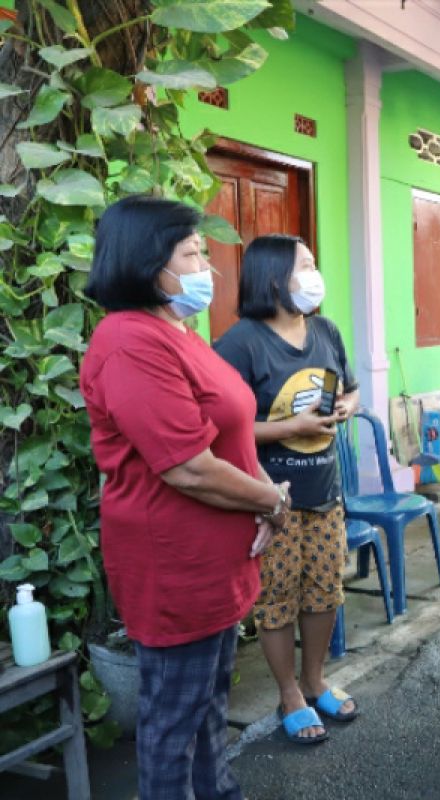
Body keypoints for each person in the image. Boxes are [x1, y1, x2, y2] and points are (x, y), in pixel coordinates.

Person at [81, 196, 289, 800]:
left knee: (207, 705)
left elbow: (227, 433)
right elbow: (188, 469)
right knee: (174, 721)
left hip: (215, 565)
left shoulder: (175, 330)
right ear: (149, 263)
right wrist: (272, 501)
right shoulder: (128, 342)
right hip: (177, 569)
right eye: (193, 253)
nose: (208, 266)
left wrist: (261, 497)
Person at [214, 235, 360, 745]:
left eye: (314, 263)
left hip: (325, 487)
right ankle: (289, 693)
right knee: (277, 597)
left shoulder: (325, 329)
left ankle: (315, 680)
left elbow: (351, 387)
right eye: (305, 265)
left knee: (324, 589)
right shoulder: (240, 343)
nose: (314, 273)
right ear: (274, 277)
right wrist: (286, 429)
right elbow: (219, 426)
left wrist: (348, 406)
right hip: (270, 497)